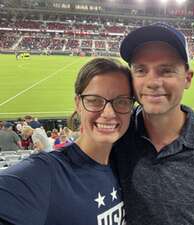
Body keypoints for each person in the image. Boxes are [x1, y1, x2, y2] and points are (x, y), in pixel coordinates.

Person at [113, 23, 194, 225]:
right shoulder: (117, 136)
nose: (152, 82)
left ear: (187, 78)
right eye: (141, 70)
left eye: (167, 70)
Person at [0, 58, 134, 225]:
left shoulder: (127, 165)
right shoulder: (45, 173)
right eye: (94, 100)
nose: (108, 113)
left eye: (121, 101)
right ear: (78, 103)